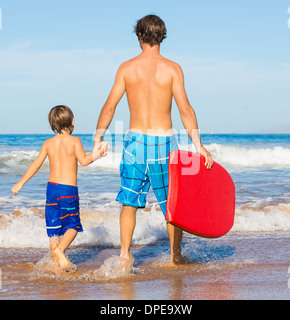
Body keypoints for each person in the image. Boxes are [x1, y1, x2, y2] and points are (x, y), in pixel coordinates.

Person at [94, 15, 213, 268]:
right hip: (164, 144)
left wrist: (98, 137)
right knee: (172, 204)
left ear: (139, 36)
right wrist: (198, 144)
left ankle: (125, 256)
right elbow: (185, 109)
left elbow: (109, 106)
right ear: (162, 36)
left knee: (129, 202)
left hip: (135, 142)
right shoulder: (172, 68)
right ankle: (175, 256)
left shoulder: (127, 68)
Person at [12, 105, 109, 270]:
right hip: (67, 190)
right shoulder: (74, 141)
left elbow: (36, 164)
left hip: (51, 189)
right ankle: (60, 251)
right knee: (73, 225)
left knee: (54, 228)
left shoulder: (48, 143)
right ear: (72, 121)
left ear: (52, 124)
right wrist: (98, 155)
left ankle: (57, 267)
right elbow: (84, 161)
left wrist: (20, 182)